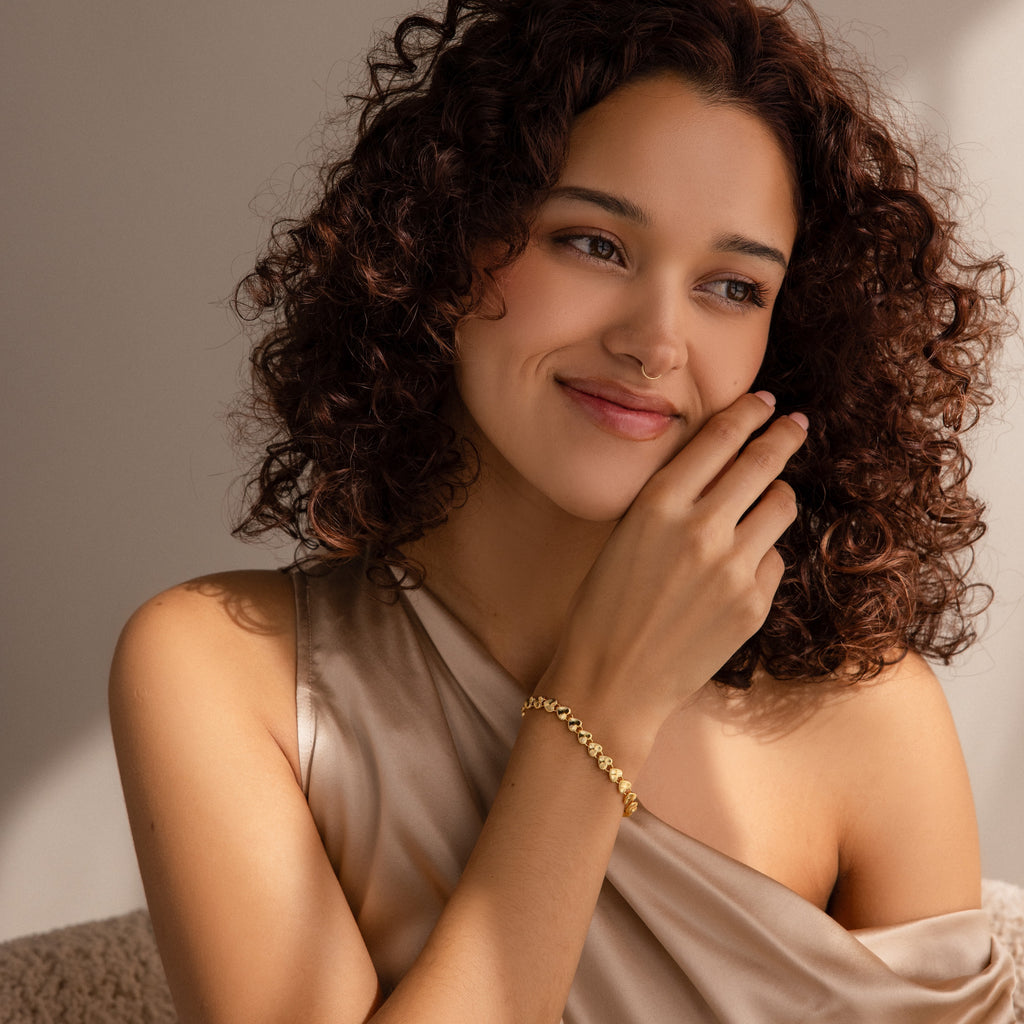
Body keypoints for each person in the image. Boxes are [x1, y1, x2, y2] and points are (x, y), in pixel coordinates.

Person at [109, 0, 1018, 1020]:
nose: (655, 343)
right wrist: (604, 698)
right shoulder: (224, 673)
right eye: (594, 243)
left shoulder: (868, 715)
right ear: (446, 241)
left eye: (732, 286)